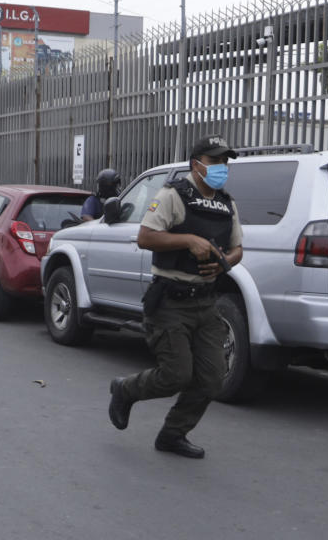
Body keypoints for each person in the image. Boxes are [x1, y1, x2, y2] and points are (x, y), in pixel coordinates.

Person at [107, 135, 243, 459]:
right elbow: (145, 237)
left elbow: (238, 248)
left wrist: (224, 263)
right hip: (170, 300)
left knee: (211, 379)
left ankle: (172, 434)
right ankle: (125, 389)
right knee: (176, 375)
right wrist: (188, 241)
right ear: (196, 164)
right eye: (215, 161)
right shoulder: (173, 195)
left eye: (225, 162)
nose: (222, 167)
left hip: (206, 302)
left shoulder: (226, 203)